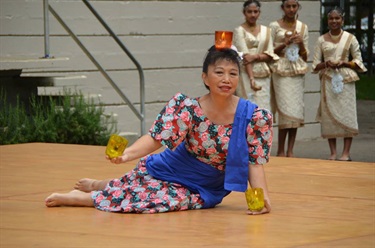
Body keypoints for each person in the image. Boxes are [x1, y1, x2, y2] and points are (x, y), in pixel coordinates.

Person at [45, 46, 273, 215]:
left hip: (205, 185)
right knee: (143, 187)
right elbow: (156, 138)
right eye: (219, 72)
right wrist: (127, 154)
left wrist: (261, 198)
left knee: (167, 198)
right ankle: (87, 195)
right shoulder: (188, 108)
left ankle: (98, 188)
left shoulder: (253, 117)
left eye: (233, 73)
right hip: (171, 168)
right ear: (205, 77)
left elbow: (254, 161)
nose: (226, 79)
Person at [311, 7, 367, 161]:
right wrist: (326, 63)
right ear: (327, 20)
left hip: (346, 80)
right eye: (331, 18)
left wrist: (344, 63)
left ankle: (346, 153)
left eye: (337, 18)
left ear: (342, 20)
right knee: (329, 116)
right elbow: (315, 65)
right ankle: (333, 152)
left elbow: (358, 61)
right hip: (328, 80)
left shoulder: (350, 38)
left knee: (347, 115)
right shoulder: (321, 40)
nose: (334, 21)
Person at [269, 0, 308, 157]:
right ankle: (280, 150)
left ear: (297, 7)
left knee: (296, 108)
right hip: (281, 68)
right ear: (282, 8)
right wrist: (284, 44)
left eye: (294, 6)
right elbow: (268, 51)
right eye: (288, 6)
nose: (291, 9)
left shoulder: (303, 27)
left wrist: (302, 44)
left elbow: (305, 56)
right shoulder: (274, 26)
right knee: (285, 108)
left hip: (297, 68)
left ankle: (290, 150)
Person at [233, 0, 279, 111]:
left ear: (259, 13)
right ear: (244, 13)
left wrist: (255, 57)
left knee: (264, 108)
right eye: (249, 12)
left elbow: (270, 54)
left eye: (255, 12)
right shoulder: (239, 31)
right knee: (248, 108)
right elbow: (245, 56)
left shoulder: (266, 31)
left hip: (263, 74)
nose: (253, 15)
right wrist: (251, 79)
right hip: (245, 74)